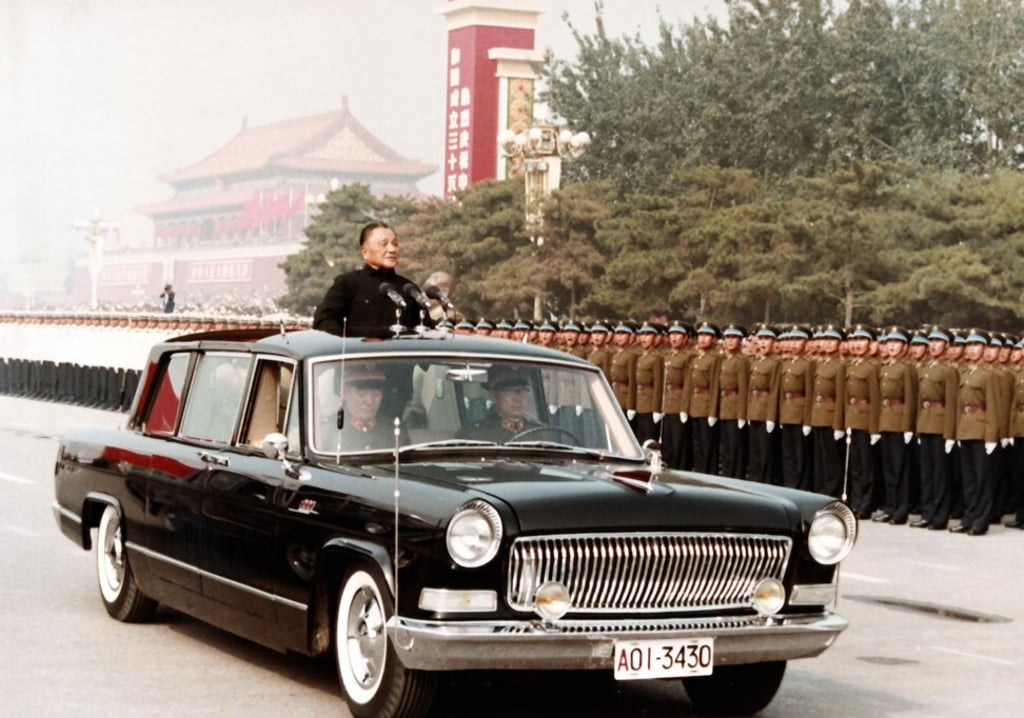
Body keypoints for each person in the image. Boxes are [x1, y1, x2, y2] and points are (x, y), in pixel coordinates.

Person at [313, 222, 429, 338]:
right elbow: (324, 322)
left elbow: (426, 328)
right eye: (384, 244)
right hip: (360, 353)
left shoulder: (408, 288)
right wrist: (362, 338)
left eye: (395, 244)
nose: (392, 249)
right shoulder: (348, 283)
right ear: (365, 252)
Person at [458, 365, 542, 443]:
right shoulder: (474, 436)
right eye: (509, 392)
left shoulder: (540, 432)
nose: (518, 399)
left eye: (523, 391)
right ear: (493, 395)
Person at [335, 366, 406, 451]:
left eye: (376, 394)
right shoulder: (329, 431)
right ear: (345, 392)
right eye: (362, 394)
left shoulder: (395, 431)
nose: (369, 402)